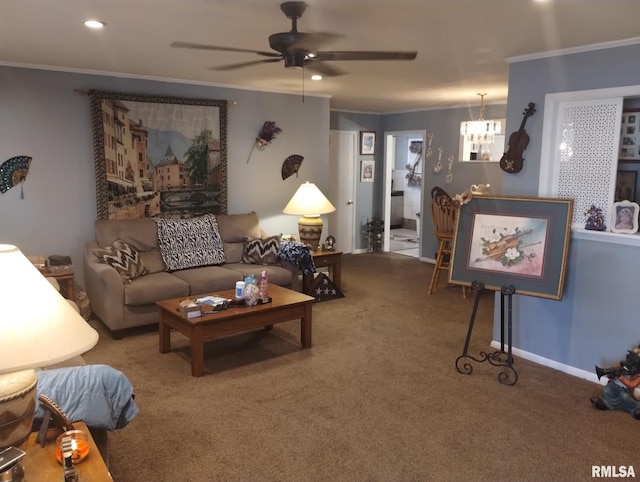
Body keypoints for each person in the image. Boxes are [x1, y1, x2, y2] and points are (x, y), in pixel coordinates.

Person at [591, 345, 640, 420]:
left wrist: (621, 377)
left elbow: (632, 385)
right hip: (614, 385)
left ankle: (636, 408)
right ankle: (606, 404)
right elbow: (615, 367)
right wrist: (611, 373)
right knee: (606, 391)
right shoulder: (624, 364)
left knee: (624, 397)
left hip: (625, 390)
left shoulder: (638, 375)